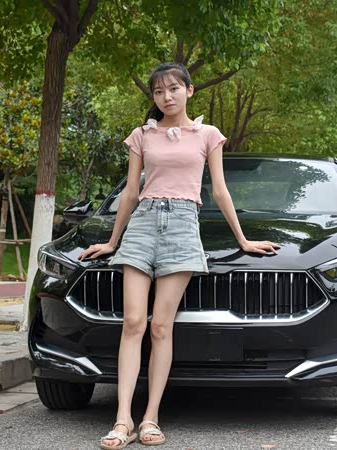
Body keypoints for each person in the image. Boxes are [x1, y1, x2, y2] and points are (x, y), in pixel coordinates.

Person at [77, 62, 281, 449]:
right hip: (142, 226)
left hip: (184, 227)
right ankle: (122, 419)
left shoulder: (208, 135)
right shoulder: (142, 136)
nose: (166, 97)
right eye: (158, 91)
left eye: (173, 89)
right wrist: (112, 242)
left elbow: (219, 190)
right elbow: (131, 192)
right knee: (133, 323)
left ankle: (150, 418)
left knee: (160, 327)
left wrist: (243, 240)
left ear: (189, 90)